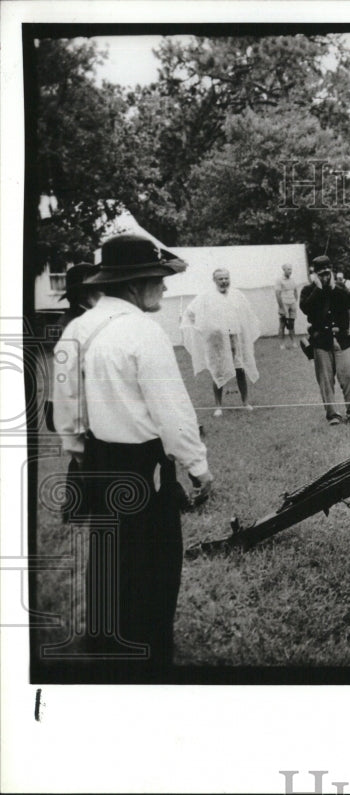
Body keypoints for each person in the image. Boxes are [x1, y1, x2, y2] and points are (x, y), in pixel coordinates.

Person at [52, 233, 213, 670]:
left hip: (96, 459)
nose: (163, 287)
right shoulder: (144, 332)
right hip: (142, 465)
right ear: (134, 284)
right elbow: (172, 410)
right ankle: (150, 650)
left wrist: (76, 448)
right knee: (156, 562)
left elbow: (64, 404)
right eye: (156, 279)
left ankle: (106, 641)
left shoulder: (75, 329)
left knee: (108, 554)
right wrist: (198, 467)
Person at [44, 263, 102, 523]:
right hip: (67, 399)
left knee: (86, 452)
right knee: (84, 451)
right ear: (83, 292)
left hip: (64, 398)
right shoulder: (75, 323)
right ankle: (76, 508)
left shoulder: (75, 319)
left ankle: (76, 508)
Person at [180, 267, 260, 417]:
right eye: (220, 279)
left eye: (226, 278)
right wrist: (202, 329)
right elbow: (190, 313)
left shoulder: (237, 295)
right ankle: (218, 406)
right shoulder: (206, 296)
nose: (224, 282)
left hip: (235, 339)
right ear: (214, 280)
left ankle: (245, 402)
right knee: (218, 371)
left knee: (240, 369)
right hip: (217, 341)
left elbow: (248, 313)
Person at [300, 255, 350, 425]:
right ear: (315, 275)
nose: (325, 277)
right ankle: (332, 415)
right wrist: (318, 289)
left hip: (342, 339)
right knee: (325, 381)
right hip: (321, 342)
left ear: (332, 272)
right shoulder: (308, 291)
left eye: (327, 273)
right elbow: (305, 308)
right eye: (321, 274)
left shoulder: (340, 288)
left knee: (348, 377)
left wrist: (335, 288)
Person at [274, 263, 300, 349]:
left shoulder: (292, 280)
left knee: (292, 323)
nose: (290, 271)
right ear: (284, 270)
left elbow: (295, 291)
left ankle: (293, 342)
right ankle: (282, 344)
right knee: (283, 324)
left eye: (291, 269)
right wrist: (281, 307)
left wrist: (294, 300)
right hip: (284, 304)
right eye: (288, 269)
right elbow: (277, 294)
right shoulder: (279, 280)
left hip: (292, 303)